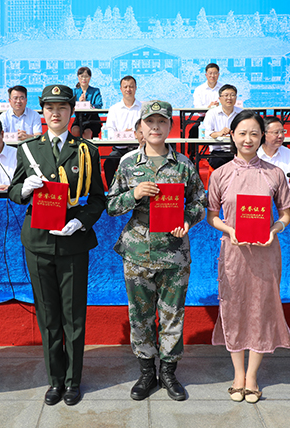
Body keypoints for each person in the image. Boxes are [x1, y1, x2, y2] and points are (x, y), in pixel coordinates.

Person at [8, 84, 106, 406]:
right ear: (42, 112)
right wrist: (25, 188)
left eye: (62, 107)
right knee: (48, 316)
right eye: (49, 108)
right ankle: (55, 380)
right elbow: (13, 191)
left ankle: (73, 380)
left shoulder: (86, 150)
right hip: (38, 242)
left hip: (73, 242)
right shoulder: (28, 149)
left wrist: (82, 221)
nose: (55, 113)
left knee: (73, 316)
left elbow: (98, 199)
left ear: (71, 112)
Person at [107, 100, 207, 402]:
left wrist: (187, 220)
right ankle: (146, 372)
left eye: (161, 122)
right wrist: (134, 194)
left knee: (172, 315)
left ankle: (168, 372)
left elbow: (199, 202)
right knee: (140, 315)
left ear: (170, 126)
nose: (155, 127)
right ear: (140, 126)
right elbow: (111, 206)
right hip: (138, 253)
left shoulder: (183, 164)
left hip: (174, 254)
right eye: (149, 122)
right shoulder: (128, 163)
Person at [206, 110, 290, 405]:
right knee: (234, 307)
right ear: (232, 135)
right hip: (234, 251)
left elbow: (285, 213)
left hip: (265, 251)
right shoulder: (220, 174)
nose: (248, 139)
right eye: (242, 133)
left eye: (254, 133)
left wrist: (275, 229)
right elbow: (212, 216)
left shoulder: (274, 173)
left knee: (261, 308)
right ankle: (238, 374)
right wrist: (229, 230)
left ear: (262, 137)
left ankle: (252, 376)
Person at [103, 75, 142, 188]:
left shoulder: (142, 108)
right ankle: (112, 192)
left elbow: (145, 128)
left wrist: (135, 133)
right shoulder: (114, 109)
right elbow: (109, 129)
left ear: (136, 88)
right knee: (108, 164)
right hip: (119, 149)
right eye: (125, 87)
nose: (128, 89)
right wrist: (122, 135)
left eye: (131, 86)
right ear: (121, 89)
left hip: (138, 149)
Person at [204, 84, 241, 169]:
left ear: (236, 98)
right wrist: (219, 133)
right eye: (226, 95)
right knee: (221, 165)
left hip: (238, 151)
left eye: (232, 95)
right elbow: (206, 134)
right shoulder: (211, 113)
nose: (229, 98)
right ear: (220, 99)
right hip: (218, 152)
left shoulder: (241, 113)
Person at [257, 117, 290, 186]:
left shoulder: (289, 154)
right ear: (263, 134)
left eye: (282, 132)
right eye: (276, 132)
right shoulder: (255, 154)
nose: (281, 136)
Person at [71, 66, 103, 139]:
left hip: (92, 119)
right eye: (82, 76)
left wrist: (88, 104)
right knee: (75, 130)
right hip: (79, 118)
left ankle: (86, 146)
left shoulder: (95, 91)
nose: (84, 79)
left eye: (86, 76)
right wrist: (79, 103)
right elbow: (70, 106)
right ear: (78, 77)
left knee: (87, 132)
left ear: (90, 78)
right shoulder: (74, 91)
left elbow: (99, 105)